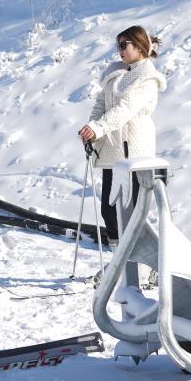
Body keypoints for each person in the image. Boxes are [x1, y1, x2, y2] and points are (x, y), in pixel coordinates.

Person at [78, 25, 167, 241]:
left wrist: (98, 128)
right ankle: (119, 263)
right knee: (109, 211)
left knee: (129, 211)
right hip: (111, 150)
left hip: (133, 152)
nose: (120, 50)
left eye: (123, 44)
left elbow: (125, 109)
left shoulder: (147, 78)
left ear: (139, 45)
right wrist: (92, 127)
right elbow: (101, 103)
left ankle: (139, 265)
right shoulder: (114, 73)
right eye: (118, 45)